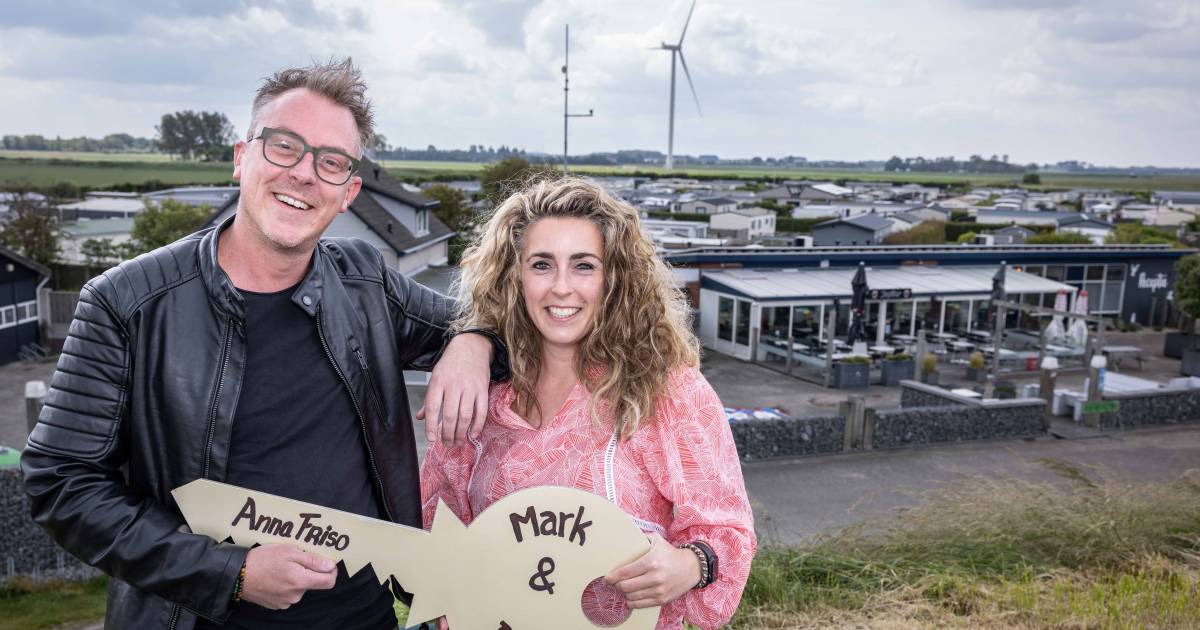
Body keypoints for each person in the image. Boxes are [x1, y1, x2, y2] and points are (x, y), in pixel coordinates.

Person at [21, 58, 505, 630]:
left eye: (330, 162)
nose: (304, 174)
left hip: (365, 618)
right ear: (240, 158)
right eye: (283, 147)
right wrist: (231, 572)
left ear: (348, 192)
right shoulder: (126, 302)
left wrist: (473, 340)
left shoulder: (365, 282)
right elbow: (61, 482)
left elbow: (501, 323)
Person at [421, 177, 756, 629]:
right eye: (541, 265)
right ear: (514, 277)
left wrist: (690, 565)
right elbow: (435, 530)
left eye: (584, 266)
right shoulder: (480, 392)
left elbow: (727, 531)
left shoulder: (667, 390)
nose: (562, 287)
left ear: (615, 278)